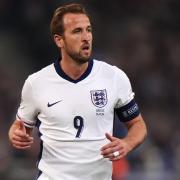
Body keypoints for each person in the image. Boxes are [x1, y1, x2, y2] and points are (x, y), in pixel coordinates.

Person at [8, 3, 147, 180]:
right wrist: (16, 135)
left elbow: (138, 125)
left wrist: (127, 144)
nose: (86, 37)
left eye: (88, 30)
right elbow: (20, 127)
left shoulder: (113, 77)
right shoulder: (37, 83)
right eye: (77, 31)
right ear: (59, 40)